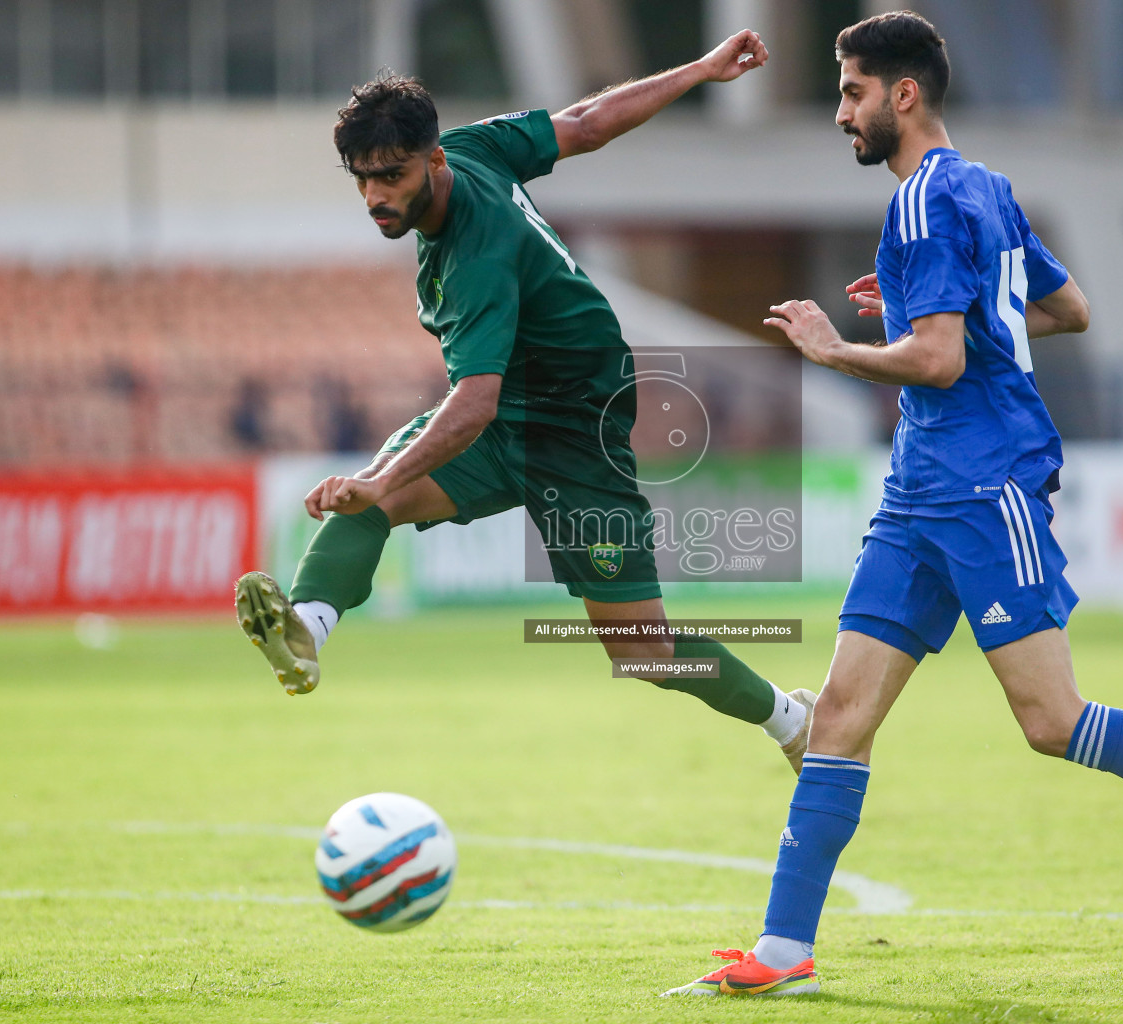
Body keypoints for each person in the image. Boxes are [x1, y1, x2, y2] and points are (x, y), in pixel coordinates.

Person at [664, 12, 1123, 998]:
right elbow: (1066, 308)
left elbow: (940, 359)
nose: (840, 113)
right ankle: (782, 953)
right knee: (844, 713)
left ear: (904, 95)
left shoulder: (921, 204)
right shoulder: (980, 188)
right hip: (921, 488)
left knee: (1050, 717)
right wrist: (933, 309)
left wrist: (838, 348)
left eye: (852, 92)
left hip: (983, 485)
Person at [234, 32, 816, 772]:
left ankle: (794, 719)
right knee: (375, 496)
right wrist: (699, 70)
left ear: (433, 159)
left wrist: (383, 479)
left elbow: (473, 403)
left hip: (578, 432)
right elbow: (588, 122)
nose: (376, 196)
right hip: (514, 412)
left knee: (644, 650)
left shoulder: (475, 254)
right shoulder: (471, 150)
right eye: (361, 178)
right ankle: (308, 631)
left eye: (391, 175)